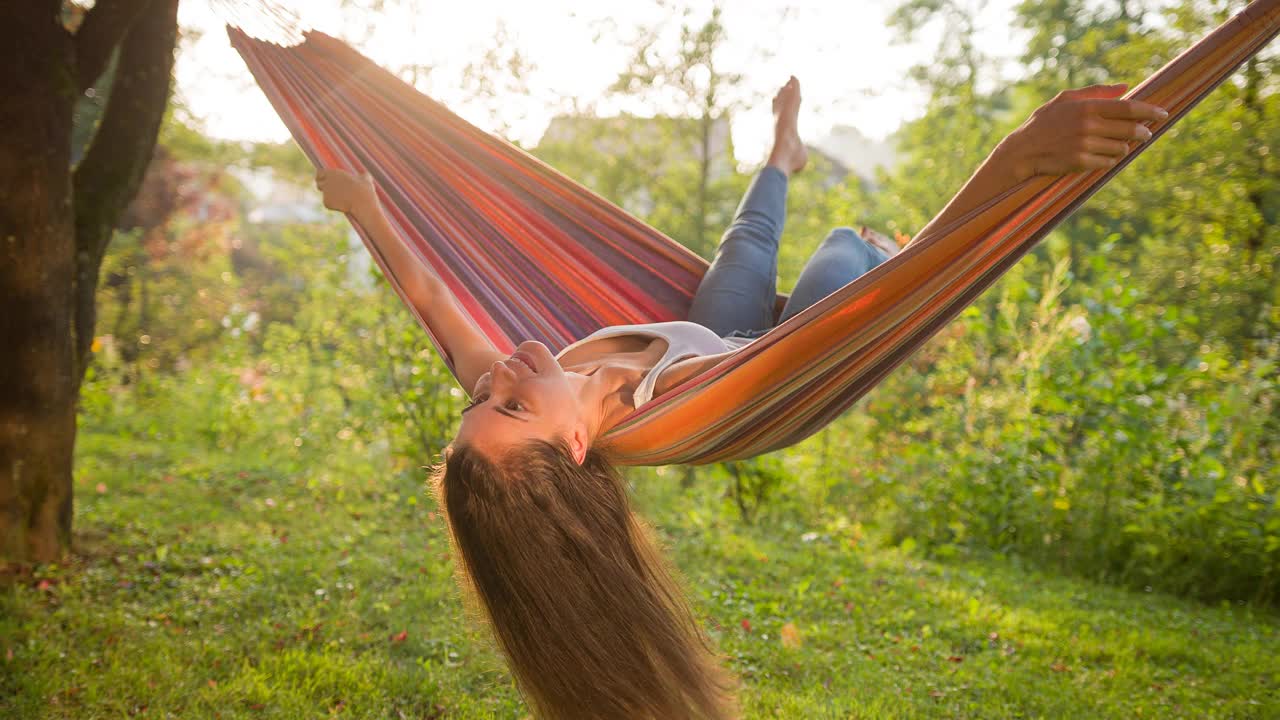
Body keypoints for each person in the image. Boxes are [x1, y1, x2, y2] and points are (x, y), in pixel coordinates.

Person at [316, 77, 1166, 720]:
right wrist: (1018, 154)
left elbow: (432, 300)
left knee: (748, 237)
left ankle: (782, 155)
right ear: (575, 447)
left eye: (482, 396)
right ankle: (860, 236)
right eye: (511, 403)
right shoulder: (681, 406)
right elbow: (876, 314)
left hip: (708, 332)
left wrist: (367, 206)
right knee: (844, 253)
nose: (502, 373)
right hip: (763, 363)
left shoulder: (534, 402)